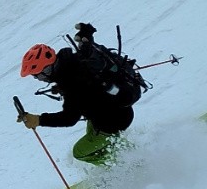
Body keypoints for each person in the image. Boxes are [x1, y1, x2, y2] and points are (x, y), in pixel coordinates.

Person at [16, 23, 140, 166]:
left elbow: (69, 118)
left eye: (38, 76)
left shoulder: (72, 81)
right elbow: (87, 62)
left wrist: (39, 120)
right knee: (97, 138)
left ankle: (125, 167)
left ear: (47, 70)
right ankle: (131, 154)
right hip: (113, 112)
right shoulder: (73, 61)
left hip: (112, 121)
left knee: (80, 152)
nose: (38, 80)